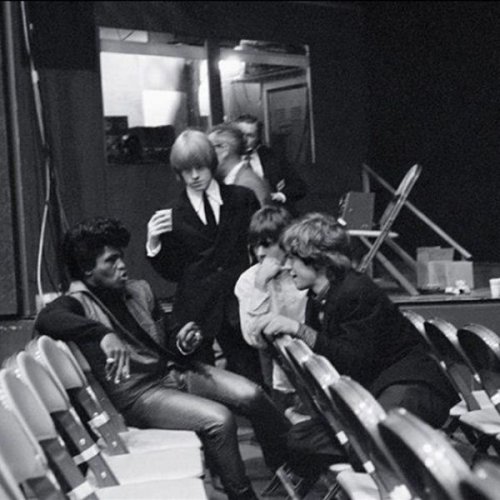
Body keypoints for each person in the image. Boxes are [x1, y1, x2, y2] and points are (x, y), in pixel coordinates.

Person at [35, 217, 291, 500]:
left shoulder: (139, 290)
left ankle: (297, 461)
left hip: (172, 372)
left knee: (252, 394)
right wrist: (101, 334)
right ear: (87, 269)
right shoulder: (77, 302)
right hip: (139, 394)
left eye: (121, 257)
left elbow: (167, 336)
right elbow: (47, 318)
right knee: (219, 420)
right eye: (111, 261)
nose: (122, 265)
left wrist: (182, 341)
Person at [262, 212, 458, 427]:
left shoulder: (355, 292)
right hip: (377, 386)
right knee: (303, 435)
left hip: (410, 386)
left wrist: (298, 329)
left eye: (293, 258)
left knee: (373, 435)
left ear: (318, 260)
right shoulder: (319, 296)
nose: (287, 266)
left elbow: (352, 360)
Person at [146, 128, 263, 384]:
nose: (195, 176)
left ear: (212, 163)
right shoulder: (171, 213)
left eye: (200, 167)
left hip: (238, 305)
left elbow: (259, 248)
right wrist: (153, 243)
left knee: (252, 381)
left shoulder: (242, 199)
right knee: (203, 386)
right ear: (178, 172)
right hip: (195, 310)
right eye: (186, 170)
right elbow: (172, 273)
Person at [235, 205, 307, 404]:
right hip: (279, 371)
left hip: (317, 359)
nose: (260, 253)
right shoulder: (248, 280)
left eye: (267, 245)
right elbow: (252, 337)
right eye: (255, 246)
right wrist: (260, 286)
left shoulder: (306, 270)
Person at [234, 114, 307, 217]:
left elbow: (299, 186)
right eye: (240, 135)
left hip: (272, 215)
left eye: (250, 135)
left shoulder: (272, 156)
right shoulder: (225, 158)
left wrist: (280, 195)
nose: (244, 140)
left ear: (258, 137)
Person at [208, 123, 271, 207]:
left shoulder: (248, 184)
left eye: (209, 148)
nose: (205, 154)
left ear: (224, 149)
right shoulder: (235, 180)